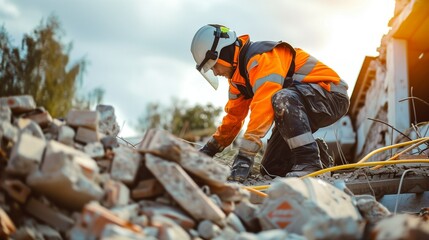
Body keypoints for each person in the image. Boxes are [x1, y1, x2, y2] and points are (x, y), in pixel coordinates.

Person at [191, 24, 349, 182]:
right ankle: (318, 155)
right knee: (272, 168)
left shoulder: (261, 58)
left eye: (215, 66)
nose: (216, 72)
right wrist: (209, 149)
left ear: (224, 52)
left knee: (281, 98)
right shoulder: (237, 81)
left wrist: (246, 155)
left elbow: (264, 103)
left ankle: (309, 162)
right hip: (297, 103)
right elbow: (233, 118)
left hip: (331, 94)